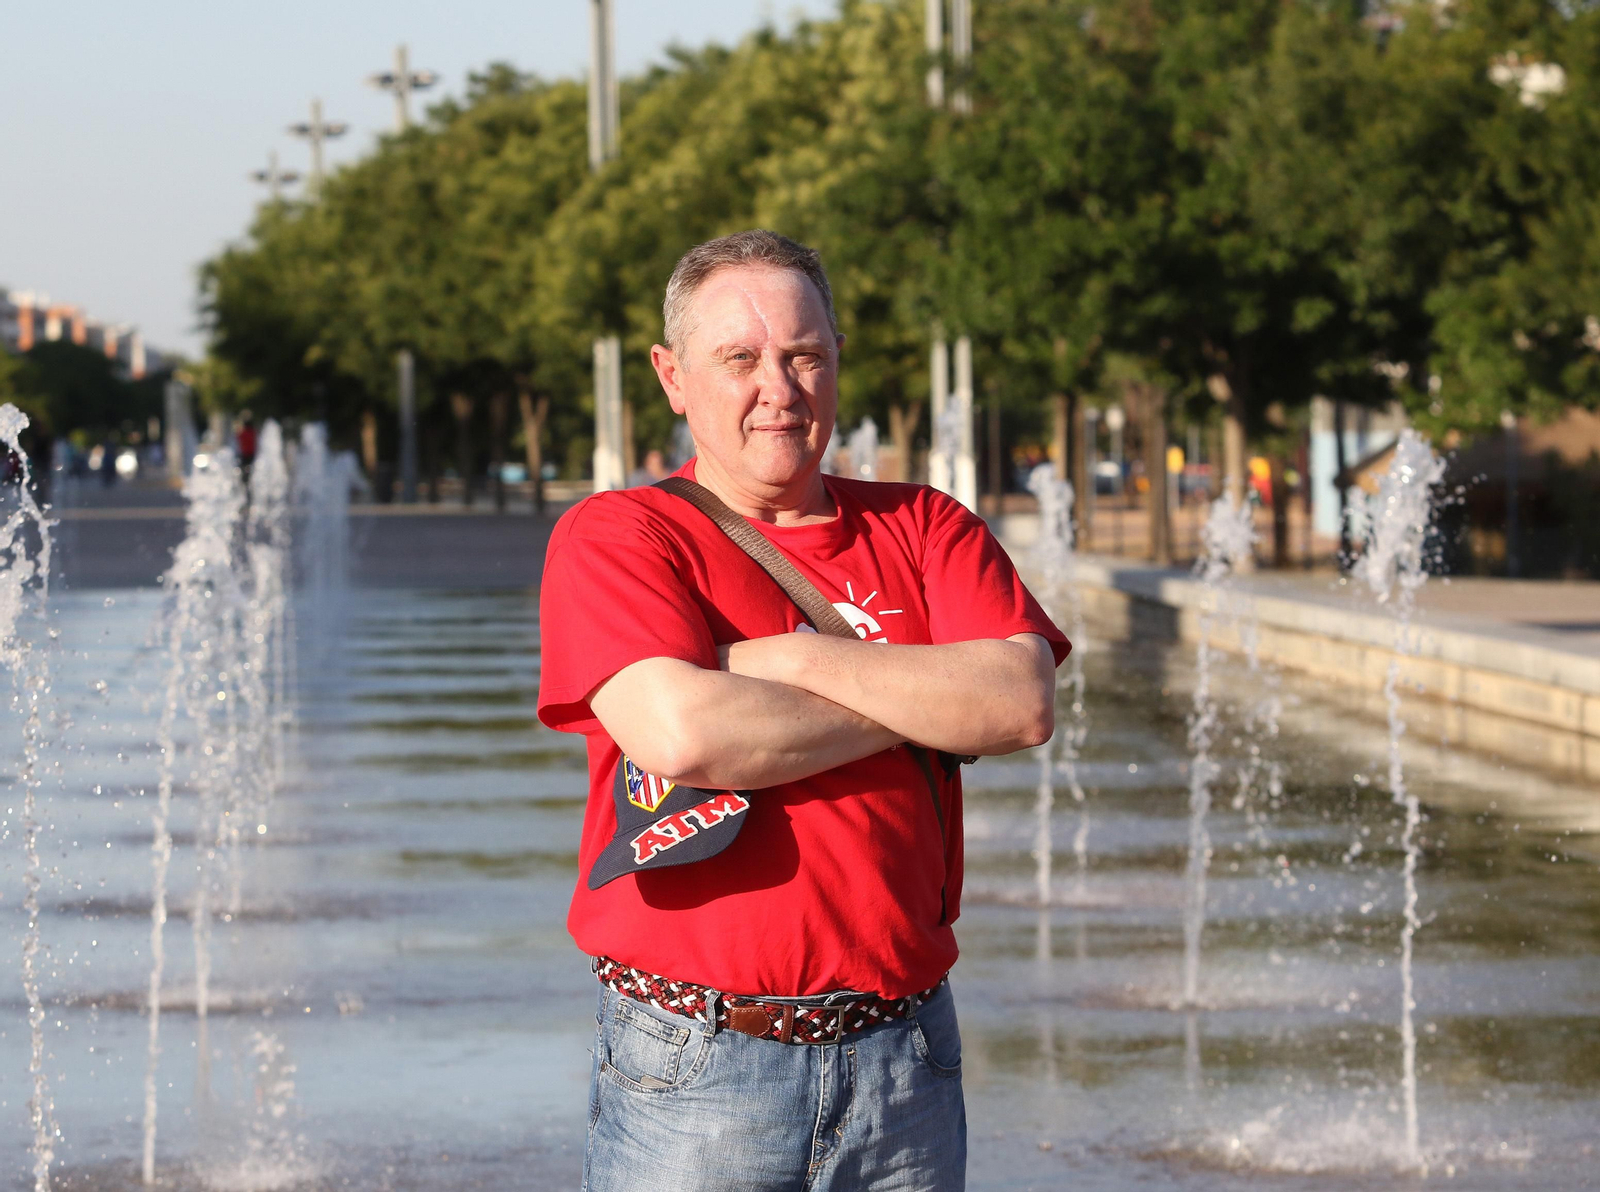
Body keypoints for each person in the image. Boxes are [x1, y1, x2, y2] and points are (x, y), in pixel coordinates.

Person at [536, 230, 1069, 1191]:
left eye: (804, 355)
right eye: (738, 359)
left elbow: (1022, 701)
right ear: (673, 376)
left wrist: (788, 661)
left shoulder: (925, 524)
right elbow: (685, 732)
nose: (777, 387)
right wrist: (925, 693)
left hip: (905, 1058)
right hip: (696, 1065)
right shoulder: (620, 535)